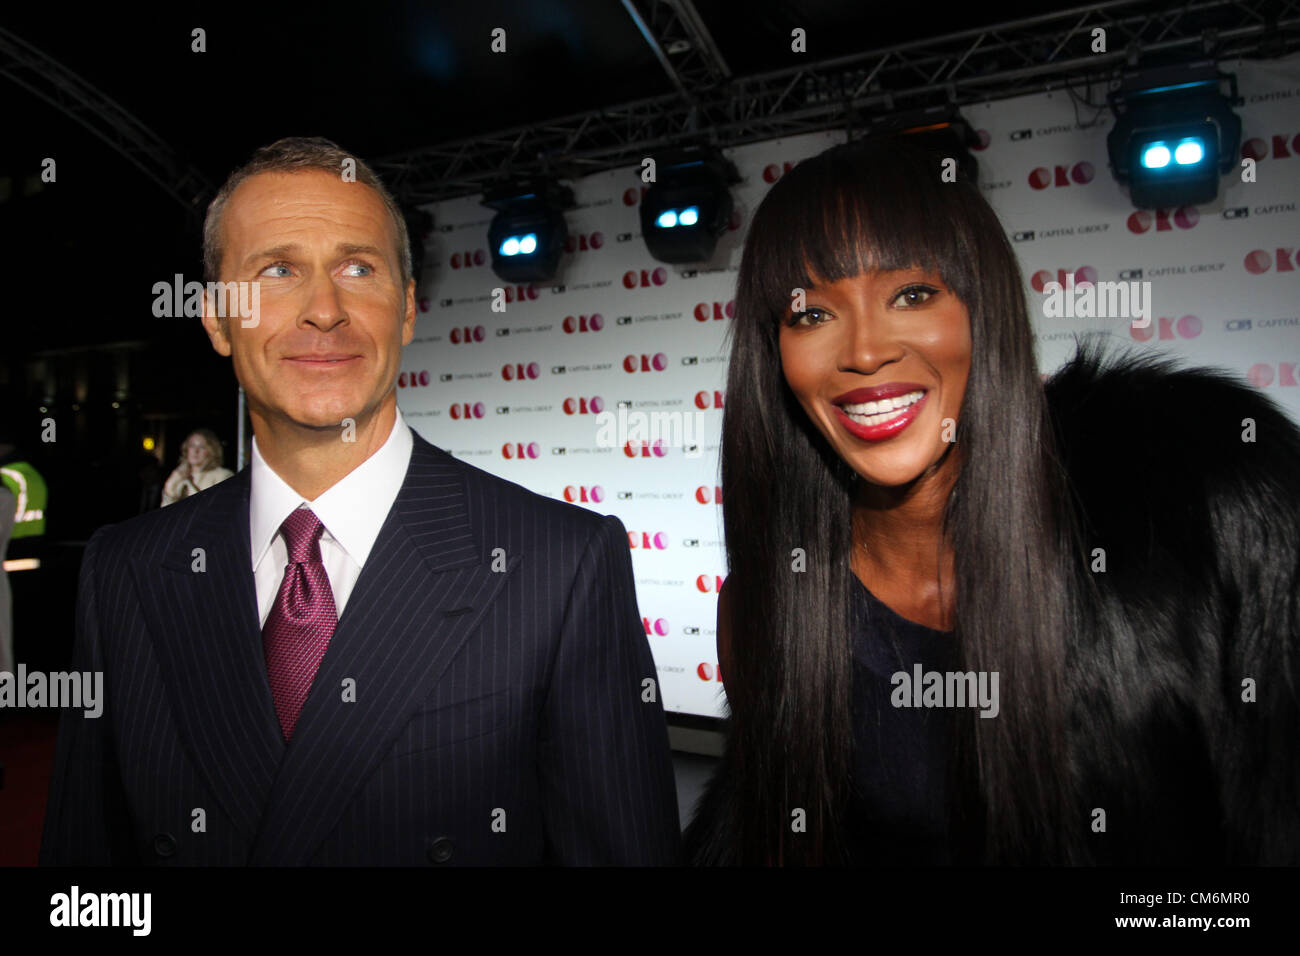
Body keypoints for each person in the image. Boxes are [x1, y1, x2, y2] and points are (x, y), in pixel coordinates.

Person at [40, 136, 681, 865]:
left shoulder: (562, 563)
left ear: (406, 309)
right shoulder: (125, 568)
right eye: (278, 270)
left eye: (358, 268)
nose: (324, 309)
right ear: (216, 320)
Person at [683, 138, 1300, 866]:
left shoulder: (1200, 499)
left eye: (912, 294)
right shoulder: (764, 608)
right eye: (810, 314)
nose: (865, 351)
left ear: (985, 309)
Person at [160, 428, 234, 506]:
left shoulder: (223, 475)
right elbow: (166, 508)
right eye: (192, 446)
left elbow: (214, 507)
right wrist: (171, 486)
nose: (195, 451)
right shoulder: (179, 475)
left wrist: (189, 482)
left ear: (212, 450)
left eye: (202, 447)